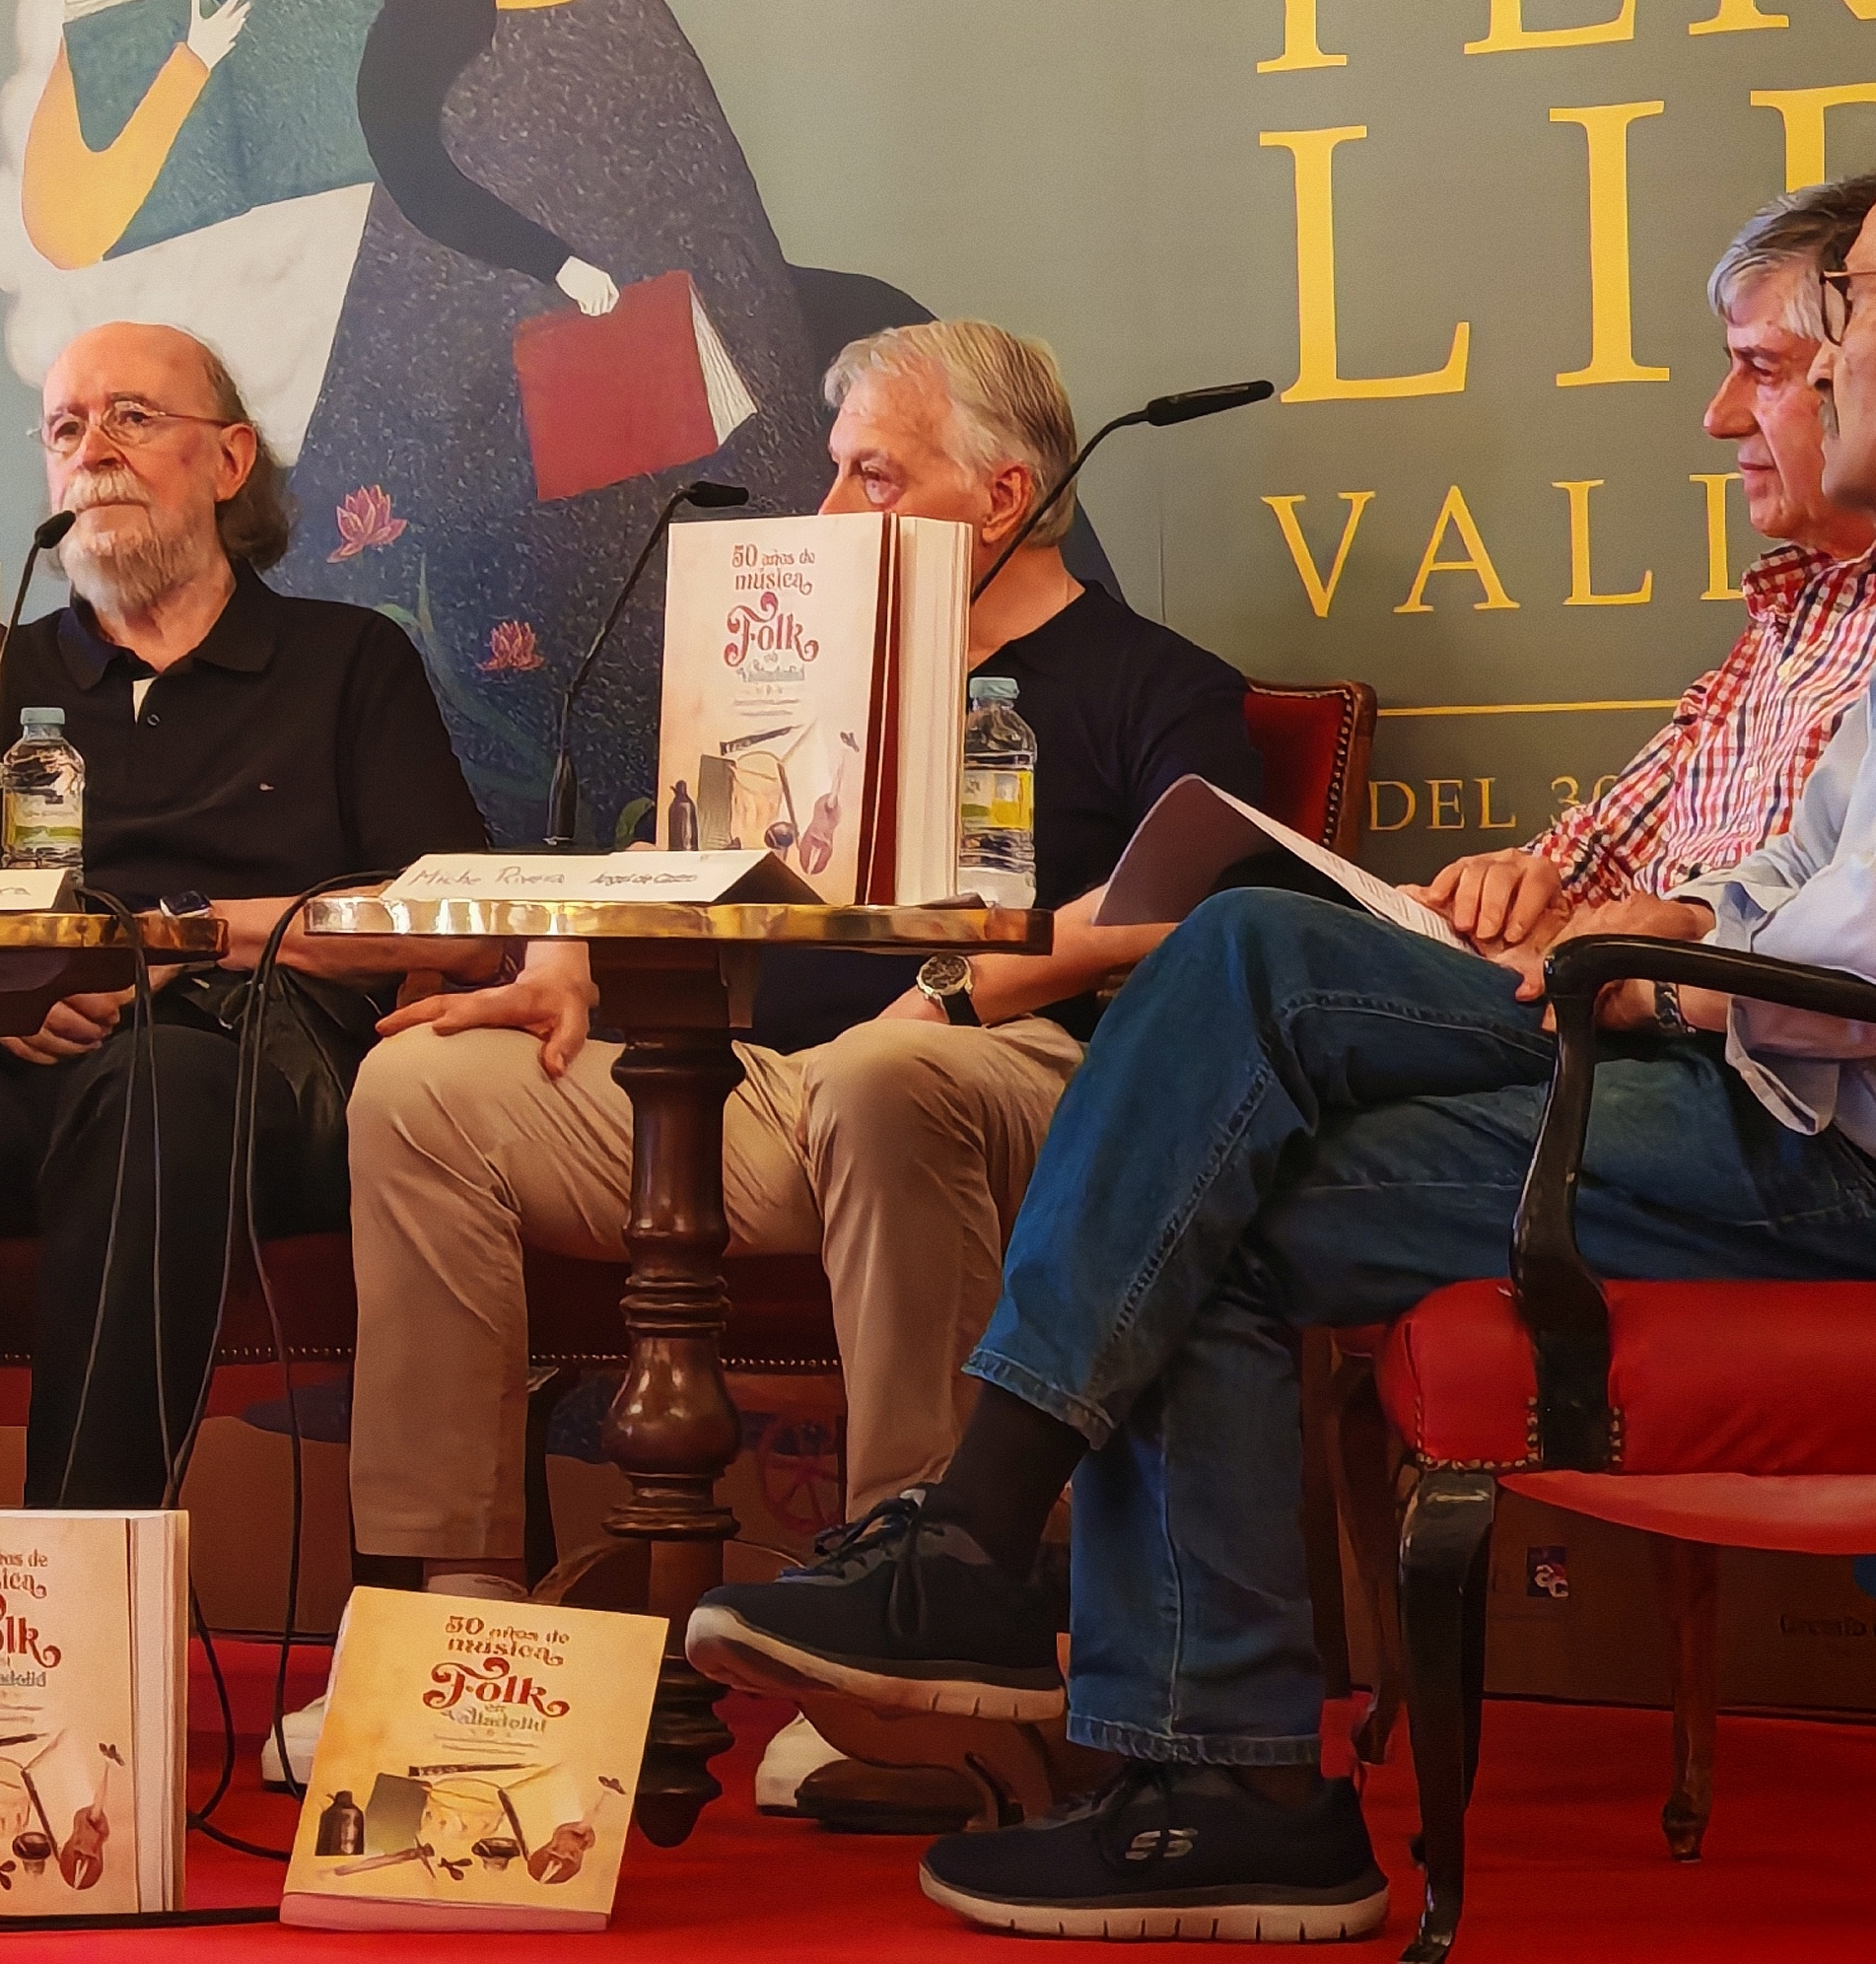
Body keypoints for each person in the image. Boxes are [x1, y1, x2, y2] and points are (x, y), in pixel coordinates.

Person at [681, 128, 1876, 1941]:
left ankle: (1004, 1561)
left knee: (1241, 980)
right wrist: (1667, 924)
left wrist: (1644, 974)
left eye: (1854, 302)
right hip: (1790, 1086)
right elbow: (1811, 871)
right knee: (1206, 1172)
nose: (1827, 353)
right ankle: (1214, 1779)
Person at [318, 321, 1267, 1804]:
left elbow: (1200, 896)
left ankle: (907, 1614)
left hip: (1025, 1094)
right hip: (767, 1091)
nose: (825, 515)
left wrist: (958, 996)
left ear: (1002, 497)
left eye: (870, 478)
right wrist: (563, 957)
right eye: (831, 474)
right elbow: (680, 859)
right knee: (418, 1090)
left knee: (887, 1081)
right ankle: (459, 1634)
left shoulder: (1152, 682)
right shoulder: (807, 683)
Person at [0, 320, 501, 1754]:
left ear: (230, 460)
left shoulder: (341, 661)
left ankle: (60, 1613)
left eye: (133, 415)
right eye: (67, 427)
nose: (94, 450)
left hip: (242, 1063)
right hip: (13, 1057)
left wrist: (166, 939)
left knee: (156, 1085)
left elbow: (445, 919)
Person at [1416, 175, 1876, 953]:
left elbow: (1868, 923)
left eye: (1763, 369)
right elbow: (1595, 856)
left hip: (1716, 1016)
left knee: (1256, 938)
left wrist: (1657, 955)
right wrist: (1507, 890)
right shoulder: (1792, 605)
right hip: (1610, 993)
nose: (1717, 417)